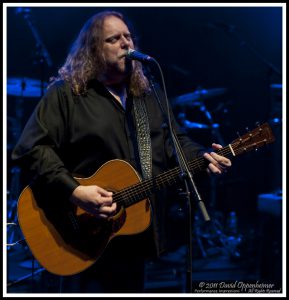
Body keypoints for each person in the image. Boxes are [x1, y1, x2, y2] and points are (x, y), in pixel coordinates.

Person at [12, 10, 231, 293]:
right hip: (76, 234)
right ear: (93, 51)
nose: (126, 44)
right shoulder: (67, 93)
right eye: (113, 39)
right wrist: (74, 191)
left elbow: (174, 142)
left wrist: (201, 156)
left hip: (131, 236)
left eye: (128, 37)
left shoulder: (147, 94)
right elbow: (31, 148)